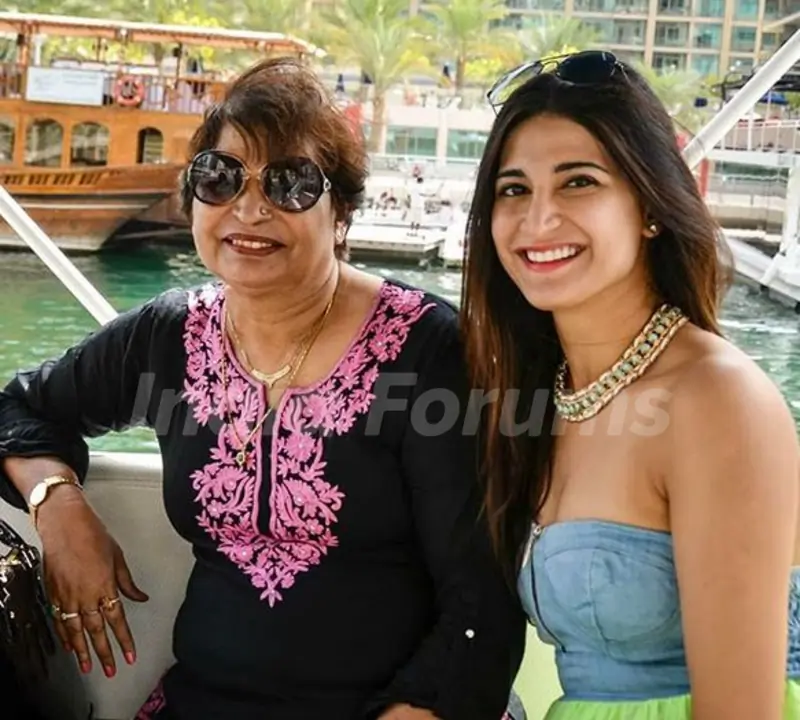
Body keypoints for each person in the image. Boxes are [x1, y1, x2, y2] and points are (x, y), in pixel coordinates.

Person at [0, 58, 525, 720]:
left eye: (291, 183)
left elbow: (484, 600)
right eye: (219, 179)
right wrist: (59, 505)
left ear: (343, 214)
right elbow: (17, 407)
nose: (248, 207)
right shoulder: (168, 338)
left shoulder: (429, 353)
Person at [460, 50, 800, 720]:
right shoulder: (538, 397)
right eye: (514, 189)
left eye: (578, 183)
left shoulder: (715, 399)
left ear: (649, 207)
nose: (537, 220)